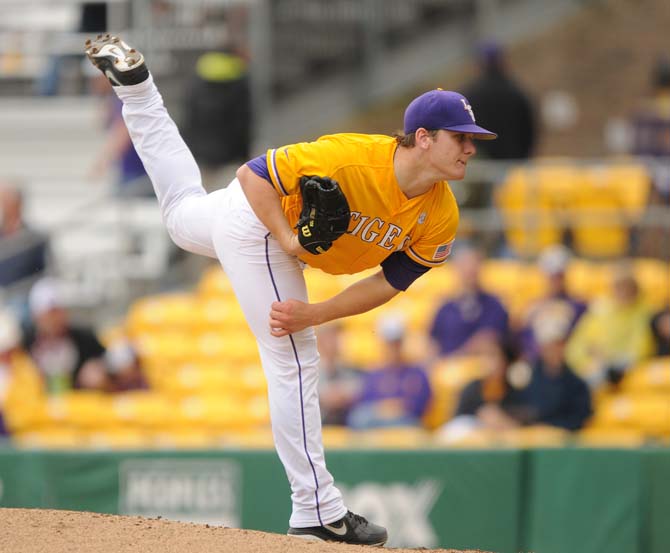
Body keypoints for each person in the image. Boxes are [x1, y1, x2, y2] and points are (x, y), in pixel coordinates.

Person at [84, 34, 497, 546]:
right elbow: (251, 175)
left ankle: (139, 93)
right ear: (425, 137)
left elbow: (390, 282)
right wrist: (289, 241)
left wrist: (317, 312)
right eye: (461, 136)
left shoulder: (441, 214)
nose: (471, 147)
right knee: (295, 359)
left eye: (473, 138)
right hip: (260, 222)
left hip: (245, 219)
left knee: (179, 216)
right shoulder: (351, 159)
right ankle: (316, 508)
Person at [565, 262, 655, 387]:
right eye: (618, 286)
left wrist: (607, 359)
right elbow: (576, 346)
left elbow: (639, 348)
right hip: (592, 370)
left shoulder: (644, 313)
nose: (622, 291)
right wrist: (587, 363)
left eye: (626, 286)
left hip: (622, 372)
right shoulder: (600, 310)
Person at [22, 278, 107, 394]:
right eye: (50, 314)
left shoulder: (84, 337)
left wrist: (100, 367)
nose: (56, 319)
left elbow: (108, 358)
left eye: (59, 311)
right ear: (36, 317)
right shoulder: (25, 343)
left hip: (79, 404)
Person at [347, 316, 431, 429]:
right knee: (360, 418)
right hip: (375, 423)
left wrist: (391, 408)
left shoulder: (417, 374)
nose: (393, 348)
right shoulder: (373, 375)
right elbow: (365, 402)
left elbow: (419, 406)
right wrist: (387, 407)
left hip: (405, 423)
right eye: (389, 344)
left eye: (396, 343)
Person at [429, 245, 509, 357]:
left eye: (473, 267)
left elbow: (489, 338)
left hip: (478, 367)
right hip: (447, 367)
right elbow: (433, 340)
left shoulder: (493, 305)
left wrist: (458, 357)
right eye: (464, 267)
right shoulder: (445, 308)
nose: (469, 272)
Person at [519, 307, 592, 431]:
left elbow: (579, 419)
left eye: (558, 345)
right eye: (549, 346)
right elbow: (520, 409)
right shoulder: (526, 377)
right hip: (530, 436)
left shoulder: (576, 383)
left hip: (560, 441)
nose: (554, 351)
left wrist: (550, 428)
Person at [462, 42, 536, 160]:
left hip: (482, 165)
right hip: (513, 162)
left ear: (479, 64)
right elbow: (529, 131)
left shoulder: (470, 95)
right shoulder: (516, 92)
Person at [518, 245, 587, 361]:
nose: (555, 281)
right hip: (536, 362)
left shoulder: (578, 306)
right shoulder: (533, 306)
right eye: (552, 277)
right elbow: (524, 339)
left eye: (559, 276)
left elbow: (580, 338)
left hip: (565, 362)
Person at [0, 183, 49, 288]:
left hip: (25, 294)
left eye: (5, 202)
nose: (3, 207)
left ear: (17, 204)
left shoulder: (35, 239)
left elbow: (44, 272)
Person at [316, 323, 362, 426]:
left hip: (347, 417)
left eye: (337, 337)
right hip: (320, 418)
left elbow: (359, 387)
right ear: (320, 341)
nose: (335, 342)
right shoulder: (311, 369)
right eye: (330, 337)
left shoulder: (350, 366)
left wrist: (341, 394)